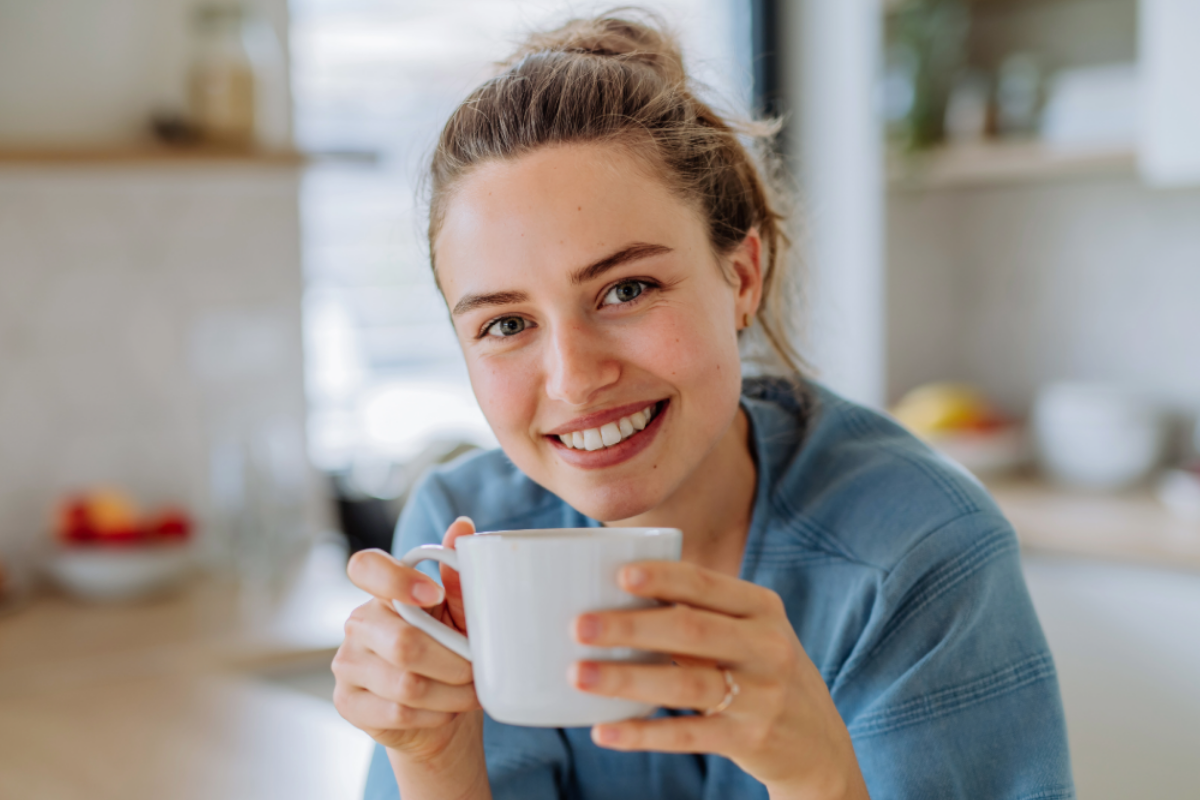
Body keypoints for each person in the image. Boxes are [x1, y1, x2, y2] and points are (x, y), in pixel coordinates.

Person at [333, 11, 1075, 800]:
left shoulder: (918, 554)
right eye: (506, 324)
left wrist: (819, 778)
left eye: (627, 289)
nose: (576, 379)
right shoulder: (465, 538)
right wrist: (431, 757)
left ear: (742, 278)